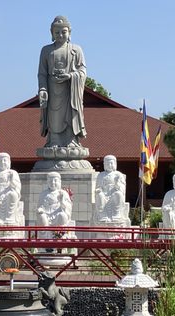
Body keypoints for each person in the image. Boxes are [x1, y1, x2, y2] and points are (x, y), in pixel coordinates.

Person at [38, 15, 87, 148]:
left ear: (69, 32)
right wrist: (42, 89)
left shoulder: (76, 50)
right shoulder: (46, 50)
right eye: (57, 32)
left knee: (71, 111)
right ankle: (54, 140)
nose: (60, 35)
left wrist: (71, 76)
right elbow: (42, 73)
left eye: (63, 32)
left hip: (70, 89)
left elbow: (82, 71)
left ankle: (71, 140)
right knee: (54, 114)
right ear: (52, 33)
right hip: (52, 89)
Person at [0, 153, 22, 225]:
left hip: (8, 192)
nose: (2, 162)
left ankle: (10, 218)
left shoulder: (13, 173)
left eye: (4, 160)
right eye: (0, 161)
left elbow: (17, 187)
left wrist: (12, 181)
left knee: (13, 195)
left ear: (9, 162)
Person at [95, 155, 127, 223]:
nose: (109, 165)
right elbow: (98, 187)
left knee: (118, 194)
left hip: (114, 195)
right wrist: (99, 190)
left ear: (115, 164)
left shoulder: (118, 174)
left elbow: (122, 188)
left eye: (111, 163)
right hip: (104, 195)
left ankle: (116, 214)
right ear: (104, 164)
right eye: (107, 163)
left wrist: (116, 184)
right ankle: (102, 214)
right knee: (99, 195)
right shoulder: (101, 175)